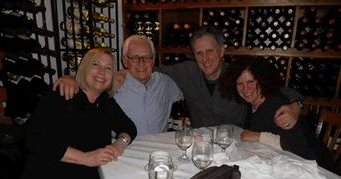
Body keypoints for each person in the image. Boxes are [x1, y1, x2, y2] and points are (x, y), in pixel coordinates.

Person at [54, 26, 302, 130]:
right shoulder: (184, 72)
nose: (205, 59)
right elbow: (102, 78)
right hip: (198, 149)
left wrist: (295, 105)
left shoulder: (239, 73)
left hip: (234, 147)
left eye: (210, 52)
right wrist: (72, 79)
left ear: (222, 51)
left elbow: (278, 88)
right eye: (199, 53)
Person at [17, 48, 137, 179]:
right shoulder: (63, 94)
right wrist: (86, 157)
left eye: (108, 68)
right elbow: (35, 139)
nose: (102, 71)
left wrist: (119, 145)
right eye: (96, 64)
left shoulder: (104, 102)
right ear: (84, 68)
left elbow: (129, 127)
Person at [219, 56, 339, 174]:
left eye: (251, 81)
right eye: (240, 83)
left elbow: (298, 146)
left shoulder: (278, 105)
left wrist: (259, 136)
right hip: (293, 166)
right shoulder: (252, 104)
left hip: (320, 171)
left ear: (262, 80)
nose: (246, 89)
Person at [56, 35, 182, 136]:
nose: (141, 63)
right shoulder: (113, 82)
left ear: (153, 60)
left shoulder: (165, 83)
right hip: (123, 152)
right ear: (124, 60)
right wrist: (69, 79)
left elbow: (186, 99)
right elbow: (87, 84)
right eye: (135, 58)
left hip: (158, 151)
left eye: (146, 57)